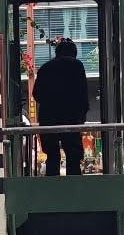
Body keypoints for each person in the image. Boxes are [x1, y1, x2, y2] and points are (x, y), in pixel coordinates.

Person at [32, 38, 90, 176]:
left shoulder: (45, 68)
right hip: (71, 118)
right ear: (74, 52)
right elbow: (83, 93)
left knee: (52, 155)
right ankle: (74, 188)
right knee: (73, 156)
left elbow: (36, 94)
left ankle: (53, 189)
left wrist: (49, 103)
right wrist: (82, 115)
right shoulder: (77, 66)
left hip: (48, 118)